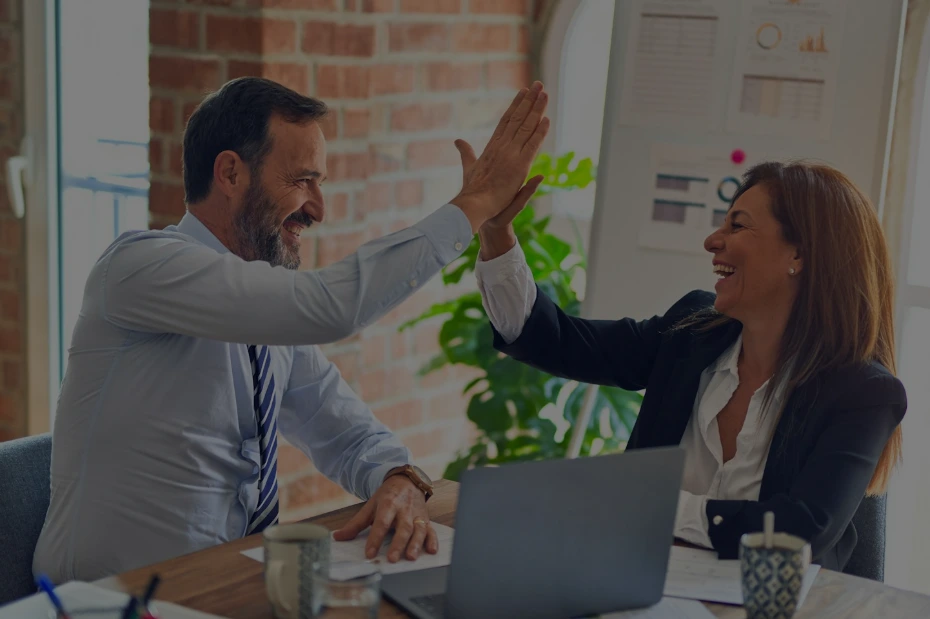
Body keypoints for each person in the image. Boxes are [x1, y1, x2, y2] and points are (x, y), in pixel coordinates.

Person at [33, 76, 550, 583]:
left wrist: (399, 478)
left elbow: (345, 431)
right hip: (105, 602)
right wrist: (475, 203)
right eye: (303, 180)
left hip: (223, 588)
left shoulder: (265, 316)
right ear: (231, 174)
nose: (318, 209)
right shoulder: (139, 268)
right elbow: (331, 307)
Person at [473, 160, 907, 571]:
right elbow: (558, 341)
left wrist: (652, 505)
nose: (712, 241)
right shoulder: (692, 332)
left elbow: (800, 531)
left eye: (737, 225)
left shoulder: (863, 393)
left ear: (799, 255)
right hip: (643, 590)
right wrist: (496, 233)